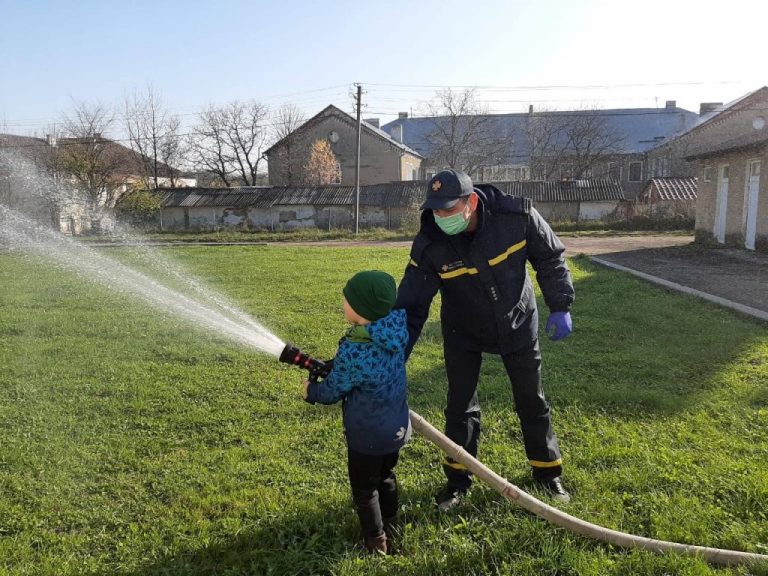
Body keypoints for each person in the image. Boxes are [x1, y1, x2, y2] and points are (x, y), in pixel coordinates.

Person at [395, 169, 575, 511]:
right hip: (462, 329)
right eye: (436, 210)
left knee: (530, 399)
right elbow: (412, 304)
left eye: (449, 209)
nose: (442, 217)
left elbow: (550, 257)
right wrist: (394, 352)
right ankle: (457, 482)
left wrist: (561, 304)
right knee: (459, 406)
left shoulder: (516, 217)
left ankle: (547, 473)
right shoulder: (431, 242)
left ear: (471, 201)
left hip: (517, 320)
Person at [304, 270, 411, 554]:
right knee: (386, 475)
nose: (342, 301)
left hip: (367, 434)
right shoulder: (395, 330)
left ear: (361, 309)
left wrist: (311, 392)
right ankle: (391, 523)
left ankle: (376, 542)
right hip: (396, 428)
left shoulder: (355, 350)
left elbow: (332, 390)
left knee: (365, 491)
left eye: (346, 298)